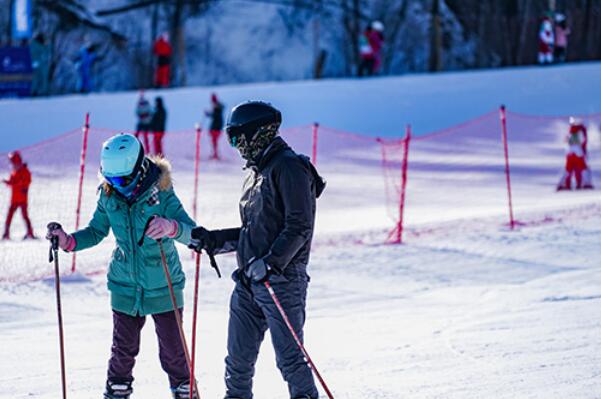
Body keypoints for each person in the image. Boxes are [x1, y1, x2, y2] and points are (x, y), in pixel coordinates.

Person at [189, 101, 326, 399]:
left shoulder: (290, 167)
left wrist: (271, 263)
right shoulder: (256, 172)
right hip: (250, 281)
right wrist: (213, 240)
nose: (236, 146)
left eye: (239, 137)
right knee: (237, 362)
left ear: (259, 133)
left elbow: (299, 226)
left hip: (282, 281)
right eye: (231, 139)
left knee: (289, 359)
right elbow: (253, 233)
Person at [46, 134, 197, 399]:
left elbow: (192, 232)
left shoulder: (162, 194)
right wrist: (68, 241)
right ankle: (116, 391)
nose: (117, 186)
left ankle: (185, 390)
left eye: (123, 180)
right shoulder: (108, 196)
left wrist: (170, 227)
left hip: (163, 285)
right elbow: (95, 231)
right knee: (122, 352)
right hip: (125, 285)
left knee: (173, 353)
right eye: (111, 179)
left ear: (139, 169)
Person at [3, 151, 35, 240]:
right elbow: (13, 182)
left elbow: (26, 182)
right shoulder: (14, 172)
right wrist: (7, 182)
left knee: (25, 216)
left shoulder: (25, 172)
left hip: (22, 200)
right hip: (14, 199)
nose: (14, 165)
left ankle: (30, 233)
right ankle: (6, 234)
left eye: (14, 163)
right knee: (9, 216)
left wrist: (15, 184)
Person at [557, 117, 593, 190]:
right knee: (583, 168)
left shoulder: (570, 131)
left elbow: (566, 141)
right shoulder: (580, 130)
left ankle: (562, 184)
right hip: (578, 152)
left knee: (568, 169)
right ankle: (586, 183)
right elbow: (583, 140)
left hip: (569, 152)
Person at [205, 93, 224, 160]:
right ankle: (215, 154)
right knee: (214, 142)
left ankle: (215, 154)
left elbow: (215, 115)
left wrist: (209, 114)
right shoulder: (218, 108)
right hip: (216, 128)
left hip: (216, 128)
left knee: (214, 141)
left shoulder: (217, 109)